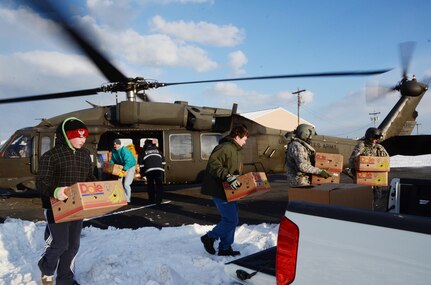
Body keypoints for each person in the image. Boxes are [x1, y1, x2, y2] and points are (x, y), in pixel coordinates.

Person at [37, 117, 96, 285]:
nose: (83, 140)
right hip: (55, 207)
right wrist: (55, 191)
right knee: (59, 244)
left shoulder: (85, 155)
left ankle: (66, 280)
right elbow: (41, 183)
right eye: (79, 136)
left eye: (85, 136)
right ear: (66, 135)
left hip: (77, 207)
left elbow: (89, 177)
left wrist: (96, 186)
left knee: (72, 246)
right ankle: (46, 269)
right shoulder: (51, 156)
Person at [200, 124, 248, 257]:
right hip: (220, 189)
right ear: (237, 136)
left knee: (231, 219)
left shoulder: (236, 150)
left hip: (230, 189)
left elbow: (234, 169)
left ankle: (225, 248)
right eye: (244, 139)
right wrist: (228, 177)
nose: (245, 142)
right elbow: (213, 165)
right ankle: (209, 237)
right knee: (231, 220)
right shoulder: (225, 147)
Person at [349, 127, 389, 209]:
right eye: (374, 138)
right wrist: (353, 170)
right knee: (363, 198)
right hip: (364, 177)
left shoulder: (379, 147)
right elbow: (352, 159)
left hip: (376, 177)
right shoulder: (361, 146)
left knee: (377, 197)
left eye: (376, 138)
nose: (375, 140)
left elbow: (386, 159)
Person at [110, 139, 137, 203]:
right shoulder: (114, 150)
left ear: (120, 144)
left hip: (130, 166)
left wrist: (123, 171)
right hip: (121, 166)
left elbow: (129, 162)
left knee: (126, 184)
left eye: (117, 144)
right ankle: (121, 197)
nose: (115, 146)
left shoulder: (125, 150)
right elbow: (113, 160)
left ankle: (128, 199)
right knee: (119, 182)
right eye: (114, 144)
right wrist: (111, 165)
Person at [139, 139, 165, 204]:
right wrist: (162, 168)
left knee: (150, 185)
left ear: (145, 145)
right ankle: (159, 200)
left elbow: (141, 165)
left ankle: (151, 199)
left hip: (149, 170)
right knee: (159, 185)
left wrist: (143, 173)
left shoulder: (144, 152)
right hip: (159, 170)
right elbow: (164, 162)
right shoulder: (159, 151)